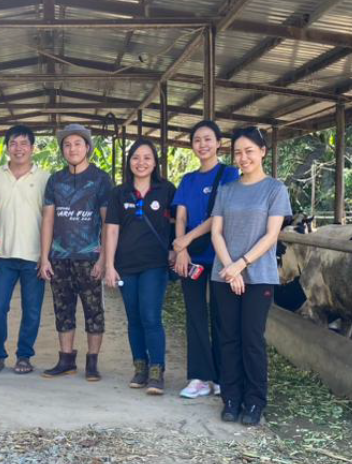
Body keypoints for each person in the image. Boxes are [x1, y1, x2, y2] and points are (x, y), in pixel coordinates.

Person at [209, 126, 291, 425]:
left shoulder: (275, 190)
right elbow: (216, 232)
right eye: (238, 153)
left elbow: (271, 235)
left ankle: (255, 401)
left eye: (249, 151)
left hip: (259, 276)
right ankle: (231, 398)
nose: (243, 158)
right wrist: (230, 268)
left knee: (251, 338)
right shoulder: (226, 190)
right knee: (228, 338)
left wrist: (241, 264)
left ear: (262, 152)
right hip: (225, 275)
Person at [39, 123, 113, 381]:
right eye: (67, 145)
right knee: (63, 310)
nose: (72, 149)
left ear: (88, 148)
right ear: (62, 150)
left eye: (78, 144)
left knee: (93, 312)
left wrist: (104, 258)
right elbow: (48, 219)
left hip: (90, 257)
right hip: (59, 258)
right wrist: (44, 256)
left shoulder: (101, 179)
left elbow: (107, 222)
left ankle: (92, 363)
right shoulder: (55, 180)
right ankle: (66, 359)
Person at [103, 139, 176, 395]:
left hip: (155, 265)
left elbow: (179, 222)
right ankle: (140, 367)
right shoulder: (119, 193)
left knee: (150, 316)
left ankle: (157, 370)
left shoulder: (166, 190)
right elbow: (111, 230)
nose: (141, 162)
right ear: (129, 162)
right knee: (133, 318)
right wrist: (109, 266)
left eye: (147, 157)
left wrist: (176, 250)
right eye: (136, 157)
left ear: (155, 162)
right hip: (125, 265)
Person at [172, 121, 239, 399]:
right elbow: (181, 217)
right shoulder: (188, 180)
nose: (203, 145)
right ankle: (200, 377)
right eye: (197, 140)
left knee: (222, 317)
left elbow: (219, 215)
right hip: (194, 258)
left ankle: (223, 377)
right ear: (192, 145)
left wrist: (186, 239)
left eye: (208, 139)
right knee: (195, 315)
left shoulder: (230, 174)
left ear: (219, 143)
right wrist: (181, 249)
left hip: (223, 256)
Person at [0, 125, 50, 375]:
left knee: (32, 310)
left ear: (32, 148)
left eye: (24, 143)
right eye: (13, 143)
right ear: (7, 147)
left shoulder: (44, 177)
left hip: (34, 257)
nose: (18, 148)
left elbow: (50, 218)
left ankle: (24, 356)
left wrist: (46, 256)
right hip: (3, 256)